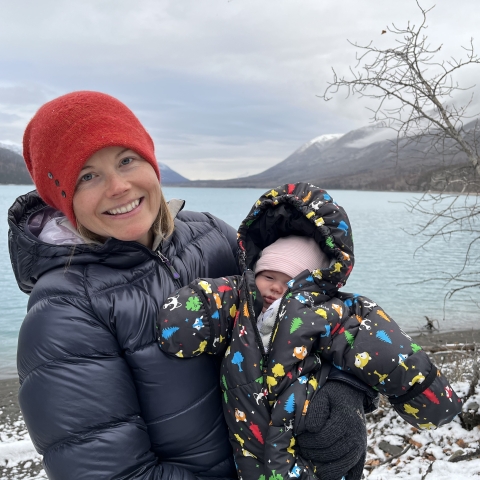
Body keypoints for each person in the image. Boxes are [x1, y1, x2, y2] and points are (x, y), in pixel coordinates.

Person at [8, 92, 371, 480]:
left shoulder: (210, 235)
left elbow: (314, 309)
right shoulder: (65, 313)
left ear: (150, 160)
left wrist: (344, 389)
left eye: (126, 160)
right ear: (62, 196)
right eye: (87, 176)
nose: (118, 186)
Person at [158, 183, 462, 480]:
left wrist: (429, 398)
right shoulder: (240, 300)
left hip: (305, 422)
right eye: (268, 275)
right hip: (246, 439)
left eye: (289, 281)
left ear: (313, 283)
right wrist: (177, 318)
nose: (276, 287)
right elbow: (195, 312)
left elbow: (388, 350)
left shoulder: (330, 312)